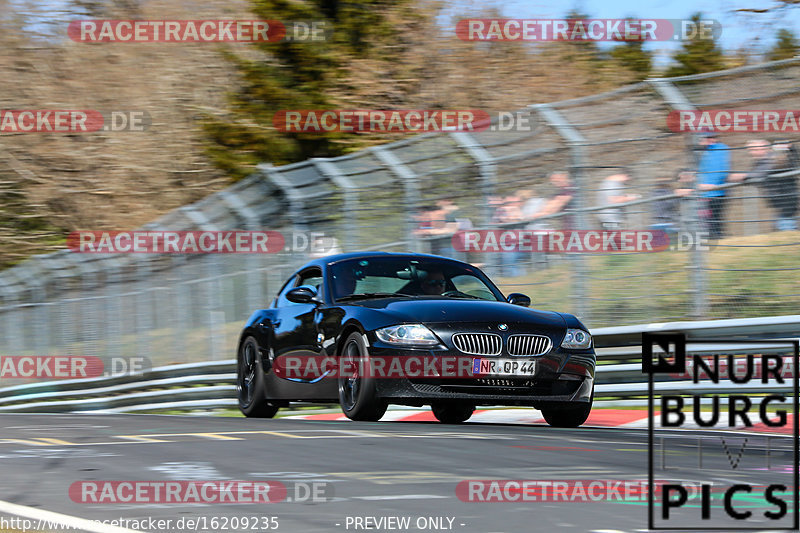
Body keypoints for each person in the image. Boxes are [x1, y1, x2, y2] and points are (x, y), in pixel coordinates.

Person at [695, 130, 731, 239]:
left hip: (714, 192)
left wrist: (709, 185)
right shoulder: (707, 151)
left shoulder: (719, 149)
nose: (700, 142)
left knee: (714, 220)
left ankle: (717, 238)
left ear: (710, 139)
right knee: (710, 221)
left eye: (702, 139)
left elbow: (721, 170)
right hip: (706, 193)